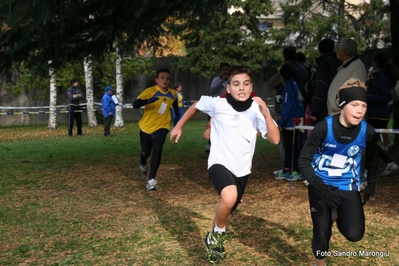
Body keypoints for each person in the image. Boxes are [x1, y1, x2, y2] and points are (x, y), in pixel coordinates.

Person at [170, 66, 280, 264]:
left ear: (251, 87)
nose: (241, 88)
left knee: (227, 208)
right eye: (236, 84)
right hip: (219, 162)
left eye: (246, 84)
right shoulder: (218, 104)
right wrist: (178, 126)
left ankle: (213, 237)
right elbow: (197, 104)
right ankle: (219, 235)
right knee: (229, 196)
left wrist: (266, 114)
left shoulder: (257, 109)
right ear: (228, 88)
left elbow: (275, 139)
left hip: (243, 170)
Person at [298, 79, 379, 266]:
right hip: (321, 185)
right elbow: (303, 161)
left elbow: (373, 160)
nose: (360, 110)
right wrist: (321, 188)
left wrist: (371, 185)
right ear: (342, 105)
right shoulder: (324, 127)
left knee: (354, 234)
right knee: (322, 232)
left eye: (364, 105)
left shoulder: (368, 131)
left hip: (348, 185)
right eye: (355, 105)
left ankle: (334, 214)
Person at [133, 68, 179, 190]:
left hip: (162, 126)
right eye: (162, 78)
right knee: (145, 152)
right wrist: (147, 101)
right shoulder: (150, 91)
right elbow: (135, 104)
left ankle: (151, 180)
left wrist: (177, 123)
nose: (165, 80)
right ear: (157, 80)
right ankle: (142, 162)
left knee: (157, 149)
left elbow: (175, 106)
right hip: (146, 127)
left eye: (167, 78)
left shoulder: (173, 93)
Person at [366, 52, 399, 176]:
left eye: (373, 62)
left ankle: (370, 169)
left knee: (369, 142)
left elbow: (386, 96)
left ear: (376, 63)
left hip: (379, 115)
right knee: (370, 142)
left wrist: (368, 98)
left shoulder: (383, 78)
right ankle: (388, 162)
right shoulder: (377, 77)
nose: (371, 64)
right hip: (374, 113)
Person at [275, 64, 305, 180]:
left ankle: (291, 170)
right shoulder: (295, 85)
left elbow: (287, 106)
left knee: (289, 147)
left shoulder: (288, 88)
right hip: (296, 121)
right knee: (292, 146)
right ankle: (290, 169)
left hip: (290, 123)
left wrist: (281, 121)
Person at [327, 38, 367, 116]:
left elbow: (355, 92)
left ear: (342, 52)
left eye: (339, 50)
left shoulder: (356, 66)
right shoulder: (348, 65)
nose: (337, 52)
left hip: (343, 114)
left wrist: (339, 103)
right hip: (338, 113)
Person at [310, 39, 342, 125]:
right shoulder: (340, 64)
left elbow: (321, 88)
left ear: (320, 50)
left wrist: (314, 110)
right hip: (339, 105)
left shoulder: (324, 65)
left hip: (324, 109)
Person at [205, 62, 231, 152]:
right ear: (220, 71)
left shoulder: (231, 81)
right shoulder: (216, 79)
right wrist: (222, 81)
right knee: (212, 126)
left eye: (227, 70)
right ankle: (210, 143)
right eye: (223, 70)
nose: (225, 72)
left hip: (226, 107)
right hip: (214, 107)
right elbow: (212, 90)